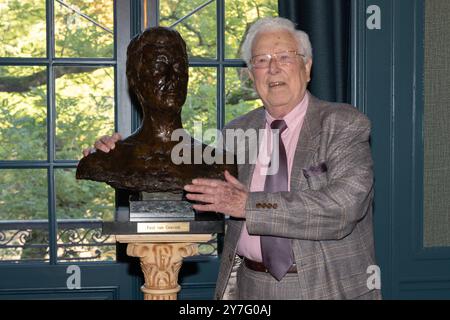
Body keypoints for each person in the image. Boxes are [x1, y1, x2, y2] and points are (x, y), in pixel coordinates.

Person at [86, 17, 380, 300]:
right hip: (249, 286)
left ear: (308, 66)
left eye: (285, 57)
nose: (273, 68)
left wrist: (248, 205)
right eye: (262, 60)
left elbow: (344, 207)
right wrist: (116, 156)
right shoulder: (235, 133)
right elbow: (189, 196)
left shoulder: (342, 123)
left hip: (324, 288)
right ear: (251, 76)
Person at [78, 26, 236, 192]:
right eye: (160, 67)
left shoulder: (219, 163)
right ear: (135, 77)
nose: (173, 77)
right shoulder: (107, 160)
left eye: (179, 67)